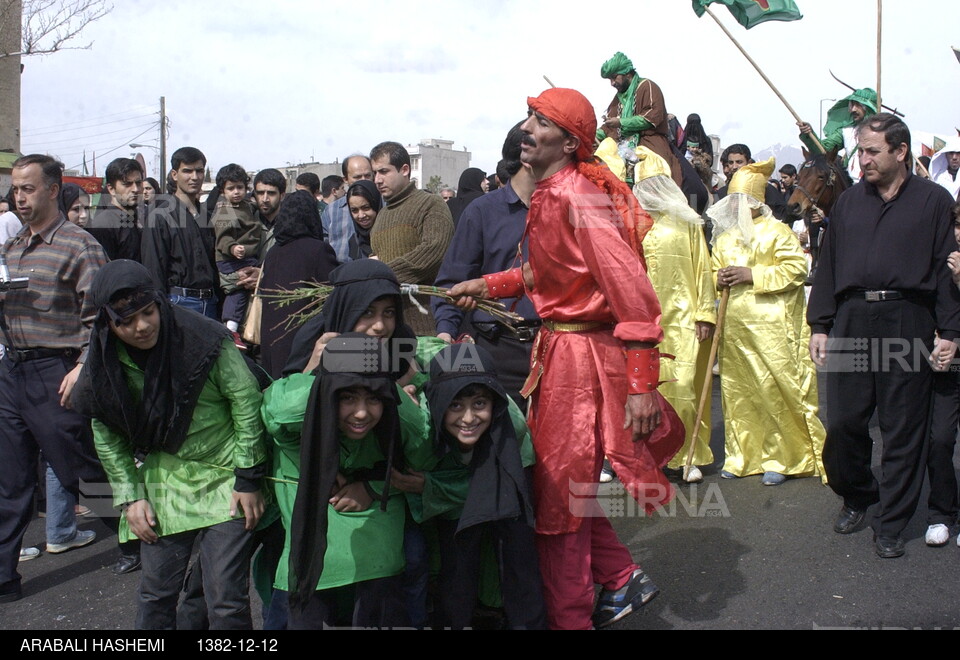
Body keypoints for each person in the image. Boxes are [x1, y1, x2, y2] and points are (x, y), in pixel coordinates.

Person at [449, 88, 683, 630]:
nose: (527, 128)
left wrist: (642, 384)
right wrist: (488, 284)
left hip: (579, 359)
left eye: (541, 120)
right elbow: (552, 273)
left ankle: (570, 617)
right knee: (559, 486)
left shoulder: (579, 196)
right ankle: (620, 578)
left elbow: (631, 288)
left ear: (570, 141)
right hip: (560, 350)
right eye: (529, 117)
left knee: (556, 500)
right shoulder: (555, 192)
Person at [72, 259, 268, 629]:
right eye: (125, 322)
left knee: (225, 597)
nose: (141, 327)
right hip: (165, 481)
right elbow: (108, 434)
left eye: (148, 312)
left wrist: (248, 478)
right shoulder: (107, 360)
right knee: (155, 593)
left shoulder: (204, 338)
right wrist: (130, 498)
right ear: (108, 324)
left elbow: (246, 402)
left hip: (226, 475)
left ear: (160, 303)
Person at [807, 113, 960, 559]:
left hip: (907, 319)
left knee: (902, 428)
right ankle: (858, 494)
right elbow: (828, 264)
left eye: (872, 151)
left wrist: (950, 330)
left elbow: (946, 272)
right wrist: (821, 323)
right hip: (853, 319)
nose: (863, 159)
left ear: (900, 151)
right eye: (861, 150)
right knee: (843, 423)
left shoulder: (932, 202)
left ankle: (890, 524)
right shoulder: (850, 202)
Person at [0, 155, 108, 604]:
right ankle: (5, 577)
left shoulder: (80, 245)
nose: (18, 197)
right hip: (13, 372)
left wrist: (83, 367)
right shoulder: (13, 247)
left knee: (78, 469)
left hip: (58, 372)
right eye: (15, 189)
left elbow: (103, 318)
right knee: (10, 479)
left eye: (27, 188)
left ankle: (132, 530)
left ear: (51, 190)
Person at [709, 158, 826, 486]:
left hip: (772, 330)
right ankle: (742, 455)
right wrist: (716, 277)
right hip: (735, 331)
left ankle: (784, 457)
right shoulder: (726, 238)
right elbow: (711, 271)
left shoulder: (778, 232)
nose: (737, 207)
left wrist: (751, 274)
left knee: (774, 391)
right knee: (739, 393)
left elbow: (796, 270)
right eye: (733, 201)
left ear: (757, 202)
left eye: (742, 201)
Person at [417, 343, 546, 629]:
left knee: (517, 556)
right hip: (454, 473)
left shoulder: (513, 425)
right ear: (437, 401)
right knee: (458, 559)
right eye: (455, 405)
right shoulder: (422, 426)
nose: (468, 418)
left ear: (494, 402)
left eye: (479, 404)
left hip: (508, 462)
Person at [433, 121, 540, 405]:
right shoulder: (481, 211)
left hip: (554, 348)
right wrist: (445, 332)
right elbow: (452, 282)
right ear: (527, 156)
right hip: (497, 349)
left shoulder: (566, 209)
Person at [632, 147, 716, 482]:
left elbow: (702, 269)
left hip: (683, 322)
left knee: (683, 389)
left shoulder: (687, 223)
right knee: (644, 391)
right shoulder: (633, 225)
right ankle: (645, 458)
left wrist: (705, 314)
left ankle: (687, 455)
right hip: (642, 324)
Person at [369, 141, 454, 336]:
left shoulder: (431, 204)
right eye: (375, 173)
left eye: (383, 171)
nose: (377, 180)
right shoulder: (381, 216)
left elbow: (434, 253)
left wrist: (383, 277)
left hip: (425, 325)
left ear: (405, 169)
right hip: (388, 328)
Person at [259, 190, 338, 380]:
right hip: (301, 346)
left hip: (271, 342)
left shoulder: (273, 253)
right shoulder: (318, 250)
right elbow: (333, 296)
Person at [141, 147, 219, 319]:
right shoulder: (160, 216)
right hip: (178, 302)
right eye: (187, 171)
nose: (194, 177)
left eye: (199, 171)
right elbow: (154, 269)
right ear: (175, 175)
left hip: (210, 302)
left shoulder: (205, 215)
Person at [926, 203, 960, 547]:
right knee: (939, 440)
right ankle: (940, 512)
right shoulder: (942, 259)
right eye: (958, 224)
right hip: (945, 370)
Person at [597, 51, 682, 187]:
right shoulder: (617, 98)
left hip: (649, 143)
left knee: (653, 176)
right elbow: (608, 127)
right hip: (622, 147)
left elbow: (651, 117)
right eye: (609, 80)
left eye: (614, 78)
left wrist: (621, 122)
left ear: (626, 73)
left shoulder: (647, 86)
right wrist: (591, 135)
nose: (612, 83)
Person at [211, 163, 260, 340]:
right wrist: (232, 247)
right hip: (230, 258)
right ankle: (231, 327)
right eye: (231, 188)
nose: (236, 192)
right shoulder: (224, 210)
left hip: (245, 255)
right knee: (238, 290)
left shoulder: (247, 206)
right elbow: (222, 237)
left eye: (240, 187)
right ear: (223, 191)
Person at [797, 88, 878, 181]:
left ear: (868, 108)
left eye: (858, 105)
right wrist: (809, 133)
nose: (853, 109)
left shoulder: (883, 131)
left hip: (877, 185)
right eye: (852, 105)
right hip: (854, 186)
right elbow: (824, 149)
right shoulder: (846, 131)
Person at [86, 157, 144, 262]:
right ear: (111, 189)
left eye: (138, 183)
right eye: (127, 184)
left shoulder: (137, 218)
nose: (135, 189)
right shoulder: (103, 225)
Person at [321, 155, 375, 264]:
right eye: (357, 177)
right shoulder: (332, 211)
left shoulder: (384, 206)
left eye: (367, 176)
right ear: (345, 179)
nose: (363, 181)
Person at [717, 144, 787, 220]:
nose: (734, 167)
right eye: (731, 163)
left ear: (749, 163)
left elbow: (781, 216)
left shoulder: (765, 189)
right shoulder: (722, 192)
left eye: (739, 162)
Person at [345, 179, 381, 261]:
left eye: (366, 208)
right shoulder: (354, 241)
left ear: (376, 205)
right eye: (354, 210)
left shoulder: (391, 236)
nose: (361, 215)